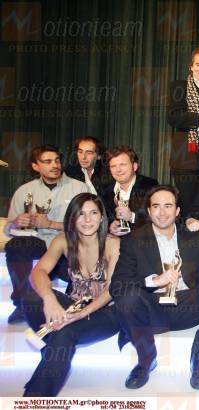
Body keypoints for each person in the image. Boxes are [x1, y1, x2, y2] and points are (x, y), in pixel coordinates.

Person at [109, 185, 199, 390]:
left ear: (177, 211)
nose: (162, 212)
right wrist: (155, 281)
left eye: (168, 206)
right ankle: (146, 359)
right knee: (126, 297)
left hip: (190, 305)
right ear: (149, 211)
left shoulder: (194, 235)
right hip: (153, 309)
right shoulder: (133, 240)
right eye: (156, 206)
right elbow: (118, 284)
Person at [21, 193, 121, 396]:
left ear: (102, 217)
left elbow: (112, 290)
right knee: (31, 297)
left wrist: (82, 314)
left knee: (64, 332)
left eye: (93, 213)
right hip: (74, 303)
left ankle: (35, 399)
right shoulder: (63, 240)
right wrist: (50, 300)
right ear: (72, 218)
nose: (87, 219)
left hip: (106, 312)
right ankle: (54, 349)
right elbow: (38, 272)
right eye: (81, 214)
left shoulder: (113, 244)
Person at [4, 145, 89, 324]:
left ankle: (70, 305)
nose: (55, 165)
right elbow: (8, 228)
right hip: (38, 244)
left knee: (80, 282)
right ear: (35, 166)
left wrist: (51, 224)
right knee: (16, 246)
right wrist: (16, 223)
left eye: (57, 160)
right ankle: (22, 304)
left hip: (68, 247)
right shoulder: (24, 191)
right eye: (48, 161)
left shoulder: (79, 188)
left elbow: (90, 224)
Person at [167, 47, 199, 211]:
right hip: (185, 160)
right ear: (191, 67)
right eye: (198, 64)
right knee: (187, 210)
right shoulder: (179, 87)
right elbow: (173, 117)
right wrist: (198, 118)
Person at [99, 146, 158, 236]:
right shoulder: (105, 190)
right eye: (113, 166)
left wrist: (132, 217)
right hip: (114, 241)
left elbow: (160, 217)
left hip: (143, 240)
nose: (118, 170)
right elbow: (102, 217)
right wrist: (110, 224)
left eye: (122, 165)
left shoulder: (150, 186)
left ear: (134, 166)